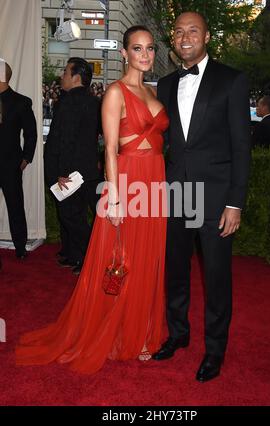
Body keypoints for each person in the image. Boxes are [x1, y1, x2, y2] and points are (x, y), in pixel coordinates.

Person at [16, 26, 169, 373]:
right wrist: (114, 196)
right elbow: (111, 149)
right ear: (124, 53)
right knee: (121, 254)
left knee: (148, 256)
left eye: (149, 49)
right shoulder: (115, 92)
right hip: (128, 181)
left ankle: (141, 331)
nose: (144, 55)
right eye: (137, 48)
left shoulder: (151, 91)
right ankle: (113, 330)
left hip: (155, 181)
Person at [152, 12, 251, 383]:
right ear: (173, 40)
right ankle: (178, 334)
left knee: (216, 278)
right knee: (175, 271)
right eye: (178, 31)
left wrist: (235, 202)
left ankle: (214, 351)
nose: (184, 36)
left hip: (215, 198)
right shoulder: (164, 84)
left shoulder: (232, 80)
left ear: (207, 36)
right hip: (177, 193)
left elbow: (242, 146)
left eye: (192, 30)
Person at [44, 58, 101, 275]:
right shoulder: (94, 102)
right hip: (87, 169)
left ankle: (88, 258)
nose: (61, 75)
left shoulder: (68, 102)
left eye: (66, 72)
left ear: (76, 77)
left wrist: (62, 172)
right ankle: (71, 253)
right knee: (73, 214)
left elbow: (66, 139)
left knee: (71, 215)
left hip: (70, 172)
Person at [0, 61, 37, 259]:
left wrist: (26, 158)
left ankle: (20, 247)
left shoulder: (21, 102)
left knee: (15, 206)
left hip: (10, 163)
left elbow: (31, 133)